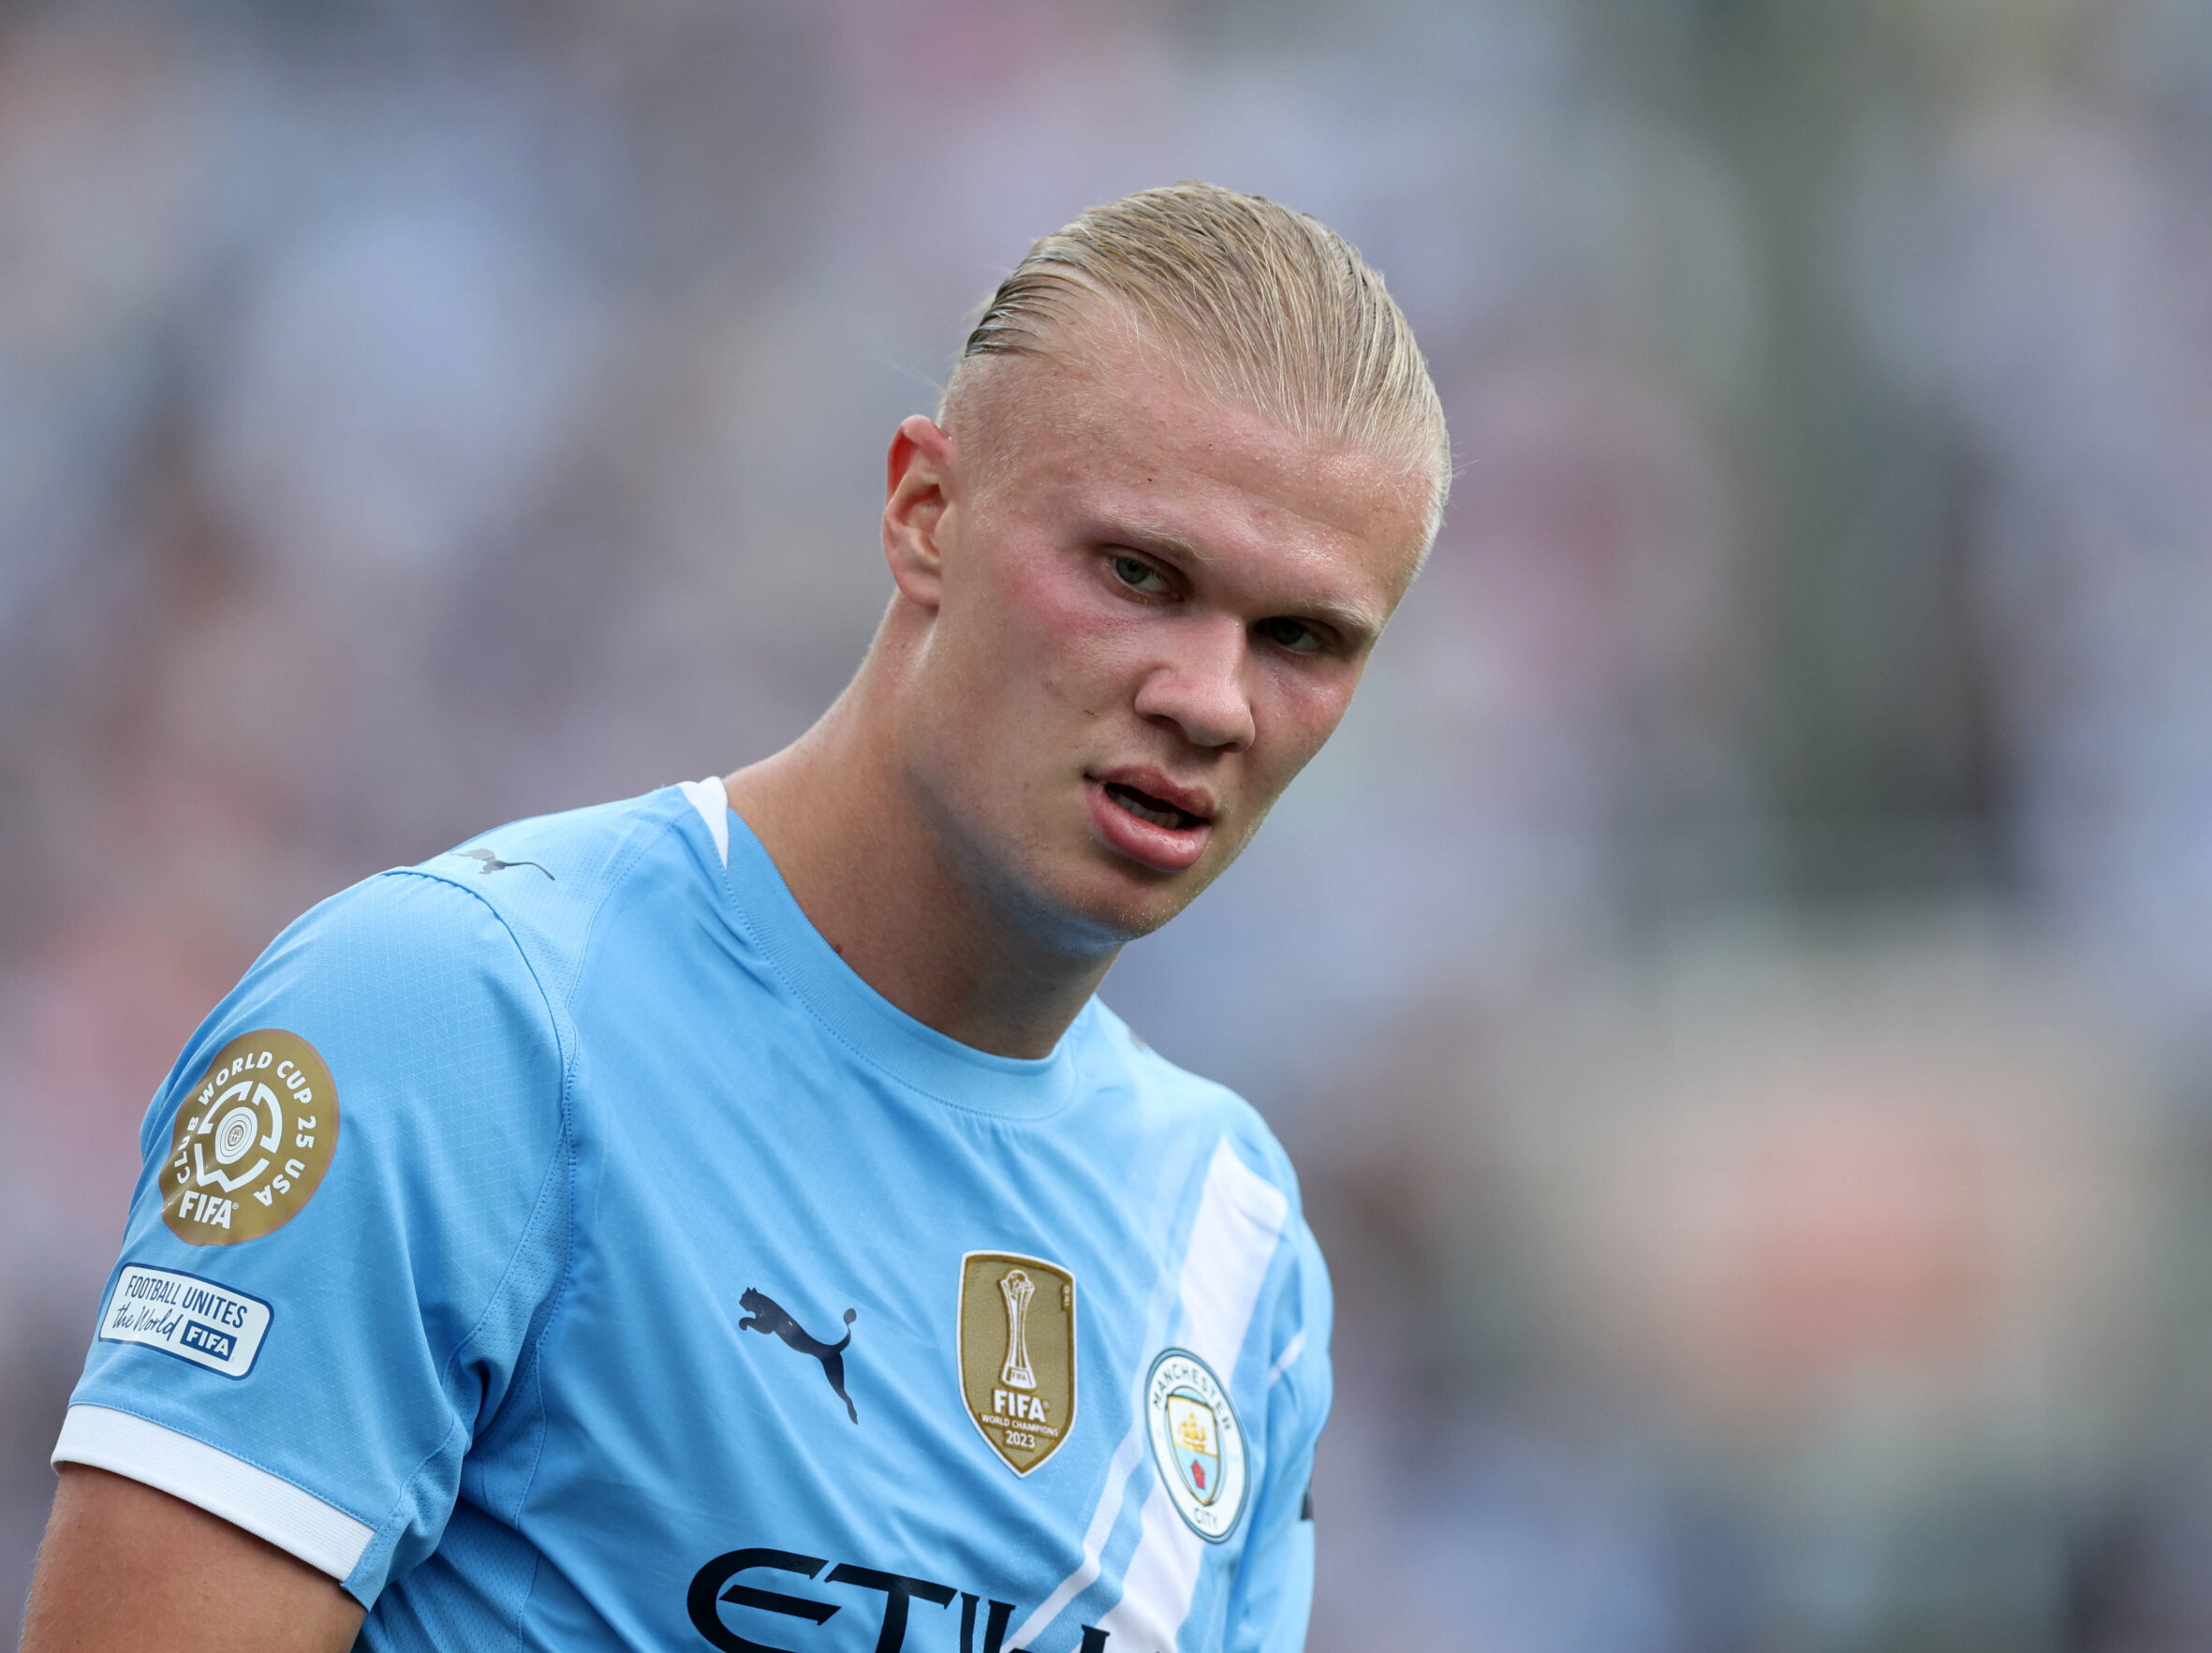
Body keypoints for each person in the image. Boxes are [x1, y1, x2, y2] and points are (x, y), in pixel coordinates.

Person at [22, 182, 1448, 1653]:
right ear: (924, 515)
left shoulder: (1234, 1232)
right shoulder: (462, 1021)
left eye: (1302, 638)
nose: (1210, 699)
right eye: (1139, 574)